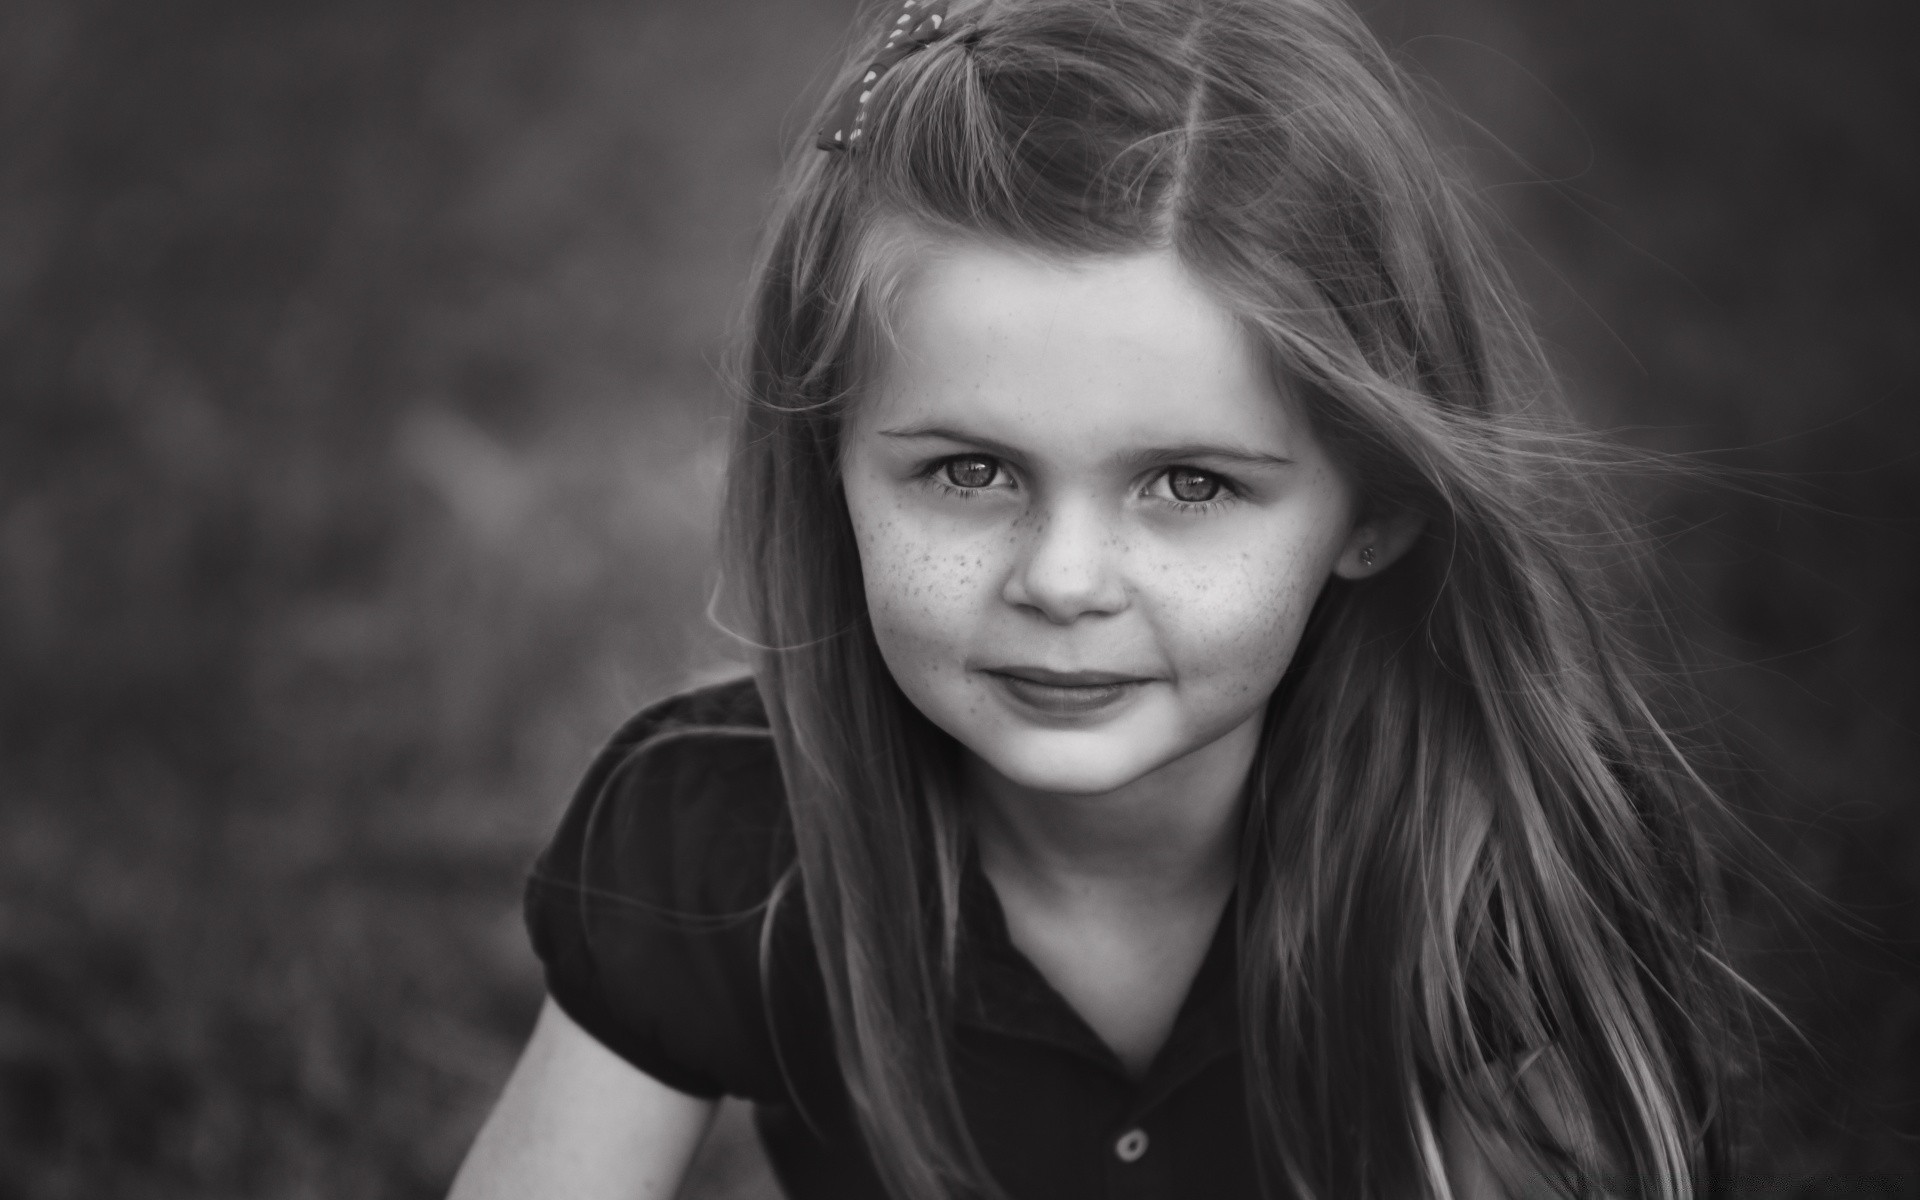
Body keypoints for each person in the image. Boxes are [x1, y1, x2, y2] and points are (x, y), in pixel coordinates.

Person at [448, 0, 1757, 1196]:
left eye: (1188, 485)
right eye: (969, 470)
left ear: (1378, 507)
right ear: (830, 462)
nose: (1063, 581)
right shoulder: (721, 838)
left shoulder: (1497, 858)